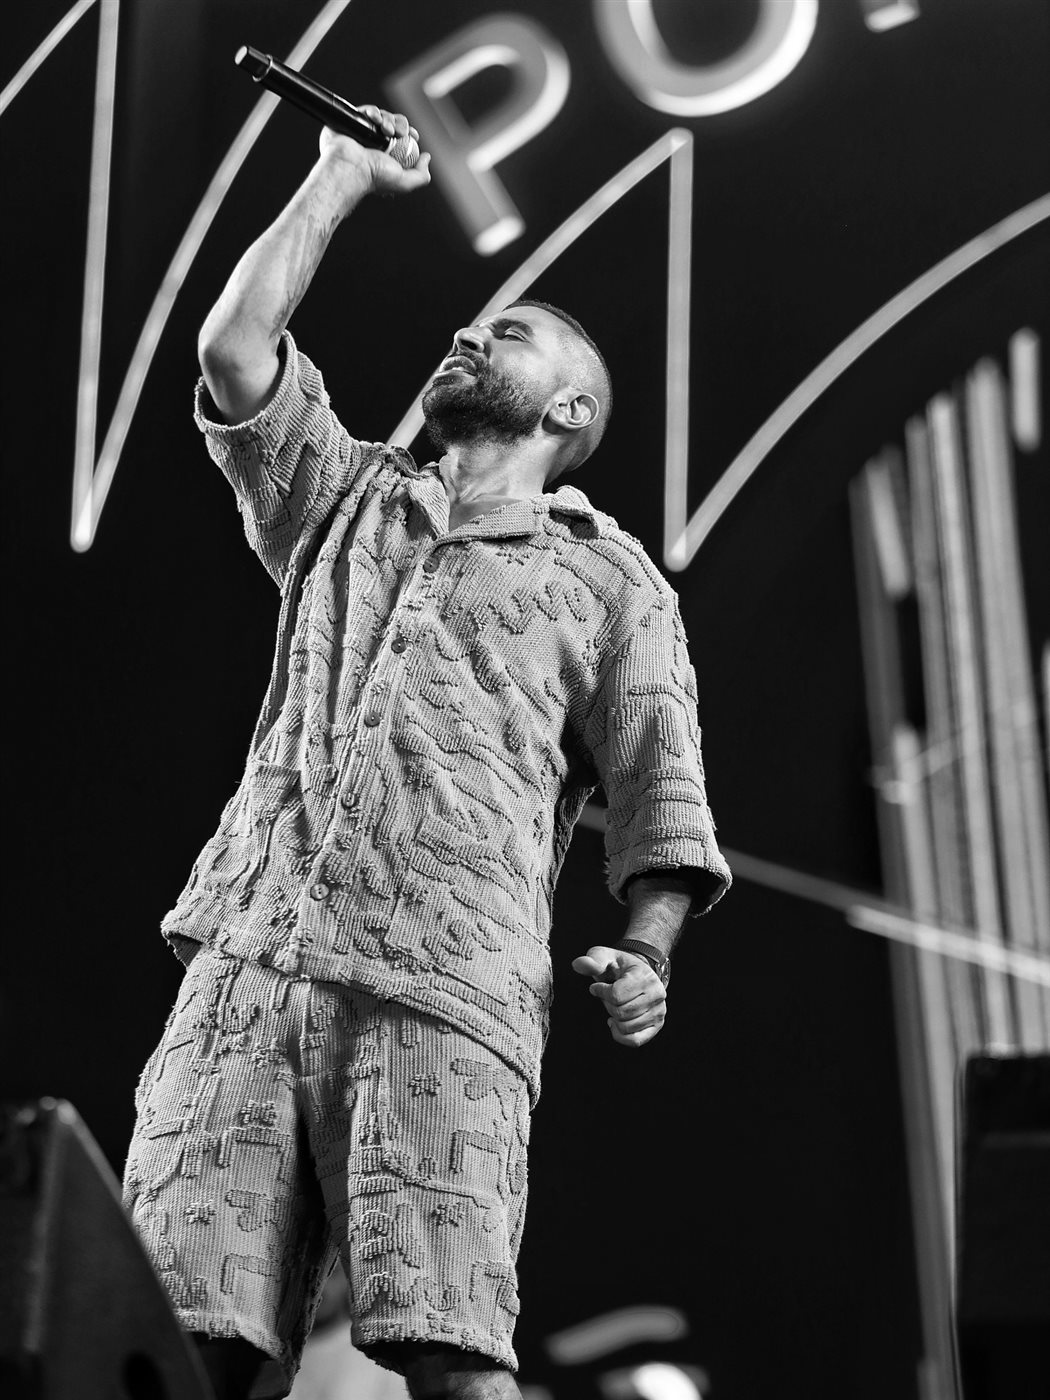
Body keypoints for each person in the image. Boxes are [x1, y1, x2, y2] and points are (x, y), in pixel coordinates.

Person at [122, 106, 731, 1400]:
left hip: (443, 988)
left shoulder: (607, 584)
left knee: (447, 1352)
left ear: (567, 405)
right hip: (246, 966)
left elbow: (660, 799)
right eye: (472, 324)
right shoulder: (345, 503)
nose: (468, 334)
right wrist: (338, 178)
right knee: (177, 1349)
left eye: (507, 333)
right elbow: (233, 351)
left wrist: (647, 951)